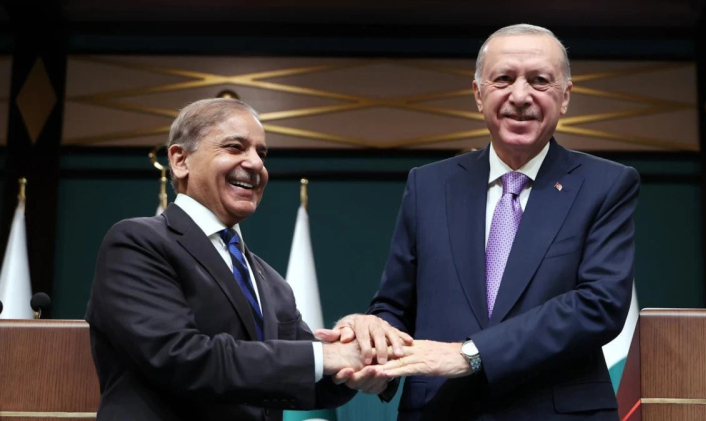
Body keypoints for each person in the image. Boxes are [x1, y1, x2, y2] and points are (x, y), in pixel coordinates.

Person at [324, 24, 640, 420]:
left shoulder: (606, 184)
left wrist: (471, 354)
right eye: (503, 79)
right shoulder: (429, 185)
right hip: (441, 411)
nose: (520, 96)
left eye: (539, 81)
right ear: (478, 94)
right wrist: (372, 348)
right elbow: (395, 306)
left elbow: (600, 305)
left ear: (565, 97)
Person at [85, 98, 374, 421]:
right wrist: (324, 356)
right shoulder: (137, 243)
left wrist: (364, 361)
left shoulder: (272, 283)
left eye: (262, 154)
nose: (256, 164)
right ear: (180, 160)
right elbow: (180, 358)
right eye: (235, 147)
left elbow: (304, 378)